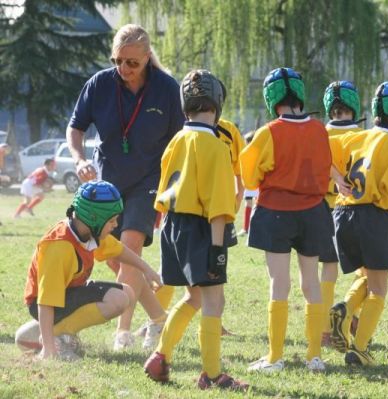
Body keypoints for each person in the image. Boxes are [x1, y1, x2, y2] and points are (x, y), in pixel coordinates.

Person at [66, 24, 185, 351]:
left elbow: (181, 141)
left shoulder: (167, 89)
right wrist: (78, 160)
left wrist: (176, 184)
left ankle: (122, 332)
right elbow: (75, 128)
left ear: (147, 58)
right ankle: (159, 318)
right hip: (106, 182)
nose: (123, 69)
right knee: (112, 254)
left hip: (149, 181)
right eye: (118, 60)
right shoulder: (100, 84)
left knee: (130, 249)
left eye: (132, 62)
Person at [143, 69, 248, 391]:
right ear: (217, 103)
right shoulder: (215, 145)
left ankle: (160, 356)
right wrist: (217, 252)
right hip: (201, 228)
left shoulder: (177, 138)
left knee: (194, 297)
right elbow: (218, 206)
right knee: (214, 301)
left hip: (172, 225)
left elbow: (163, 188)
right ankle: (213, 374)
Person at [241, 67, 339, 373]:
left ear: (272, 98)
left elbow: (250, 174)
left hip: (276, 211)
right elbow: (325, 168)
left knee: (278, 283)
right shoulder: (320, 129)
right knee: (311, 282)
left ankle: (275, 356)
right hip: (313, 212)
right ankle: (314, 357)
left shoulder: (268, 131)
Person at [18, 180, 162, 360]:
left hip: (66, 295)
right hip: (45, 303)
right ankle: (54, 340)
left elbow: (120, 250)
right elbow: (45, 301)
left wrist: (147, 269)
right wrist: (48, 349)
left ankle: (55, 332)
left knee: (128, 293)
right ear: (95, 218)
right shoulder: (59, 247)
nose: (115, 225)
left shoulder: (87, 231)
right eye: (111, 220)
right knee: (118, 300)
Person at [328, 81, 388, 366]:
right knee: (379, 287)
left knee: (367, 277)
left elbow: (319, 149)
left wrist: (336, 178)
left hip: (343, 214)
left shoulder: (357, 137)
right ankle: (361, 348)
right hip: (373, 216)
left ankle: (346, 307)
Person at [321, 80, 363, 347]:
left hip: (322, 206)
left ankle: (325, 328)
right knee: (364, 269)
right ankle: (353, 314)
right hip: (355, 208)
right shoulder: (363, 135)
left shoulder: (318, 133)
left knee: (328, 268)